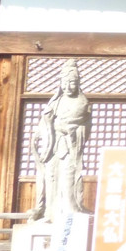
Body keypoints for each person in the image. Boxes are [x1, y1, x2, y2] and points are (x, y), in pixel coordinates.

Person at [31, 59, 92, 222]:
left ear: (78, 83)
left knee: (68, 178)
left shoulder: (82, 102)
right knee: (50, 177)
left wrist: (69, 130)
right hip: (53, 147)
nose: (68, 87)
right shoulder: (56, 101)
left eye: (72, 83)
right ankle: (49, 213)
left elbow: (82, 125)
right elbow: (46, 120)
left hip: (70, 146)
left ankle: (71, 209)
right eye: (65, 83)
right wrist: (40, 131)